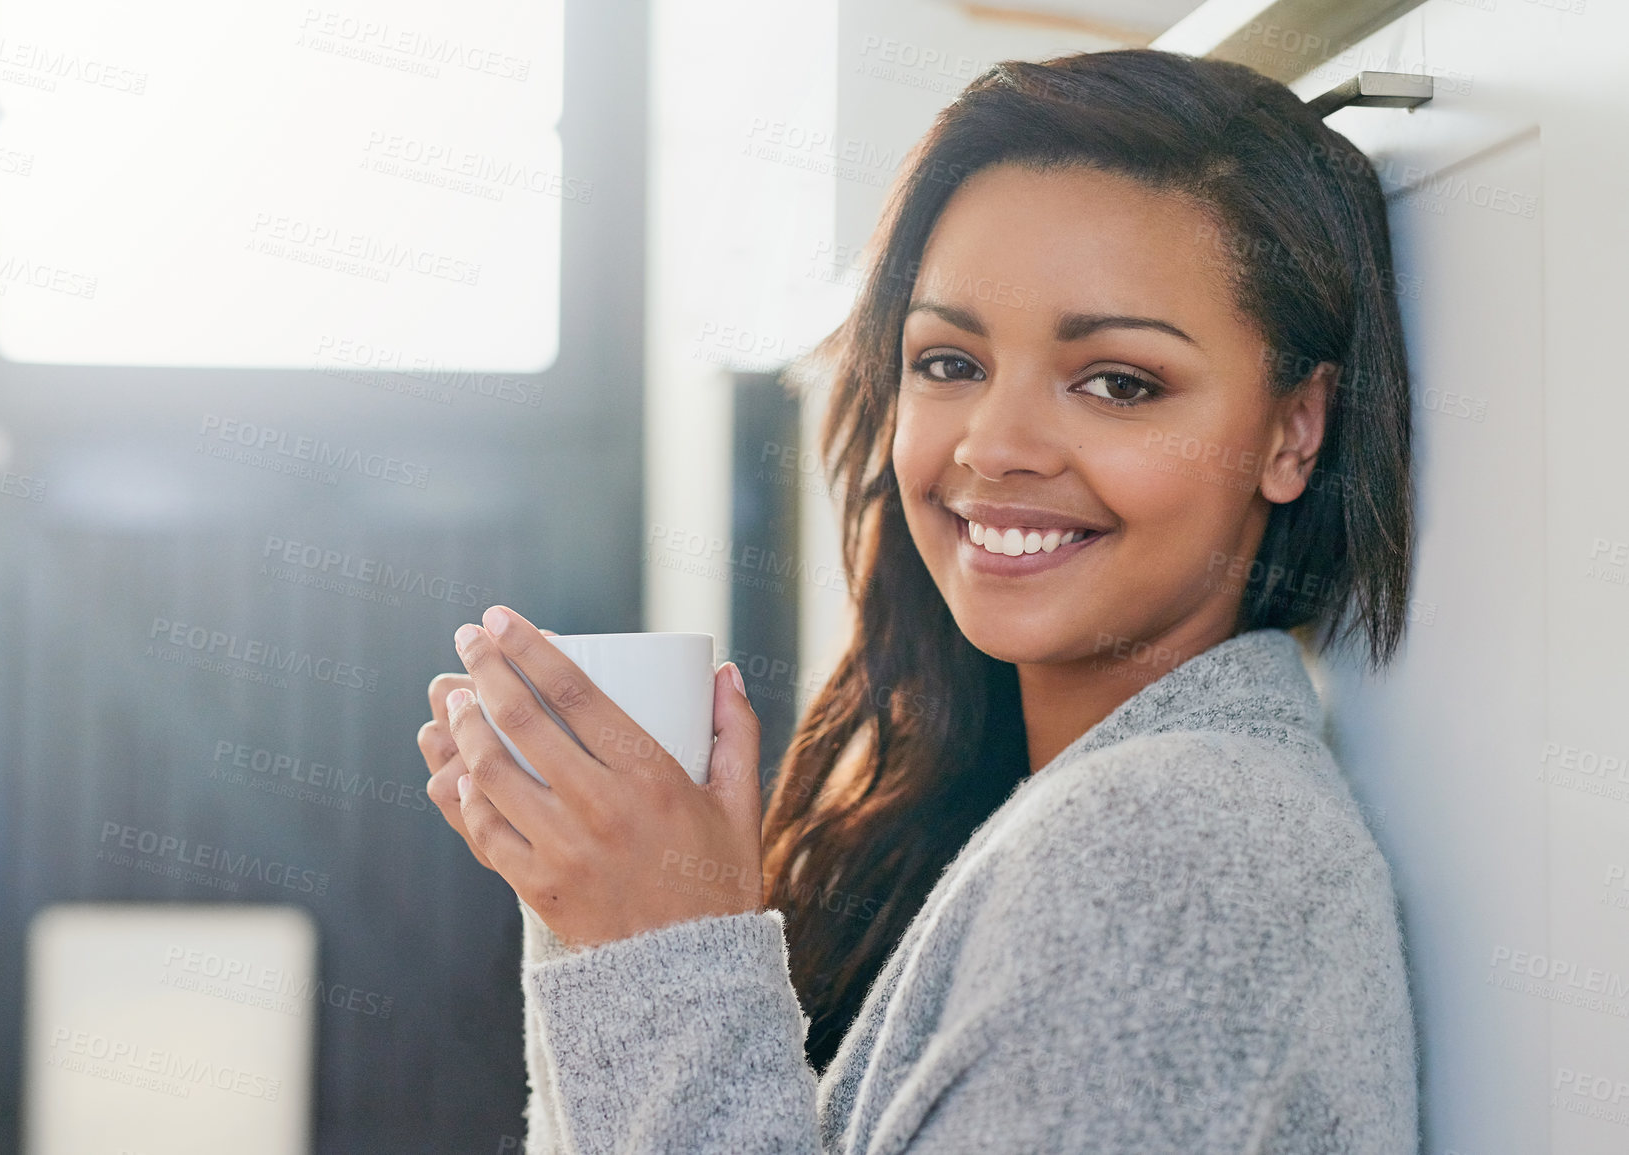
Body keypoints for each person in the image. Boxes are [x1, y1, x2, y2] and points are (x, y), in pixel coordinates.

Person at [417, 47, 1418, 1153]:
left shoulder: (1170, 850)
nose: (994, 446)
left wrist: (659, 946)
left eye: (1119, 382)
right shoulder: (1030, 811)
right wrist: (595, 909)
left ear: (1295, 431)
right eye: (949, 363)